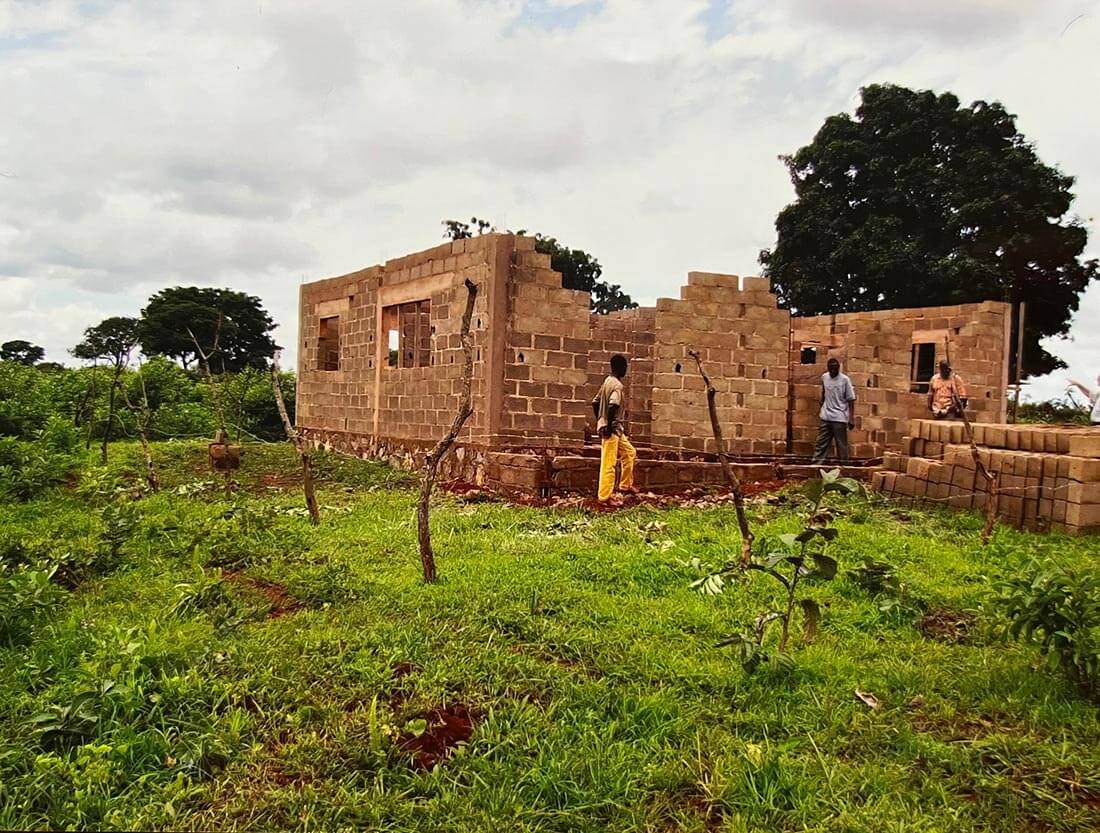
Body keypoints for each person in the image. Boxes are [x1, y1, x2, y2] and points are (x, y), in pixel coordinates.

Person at [591, 354, 637, 502]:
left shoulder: (607, 382)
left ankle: (625, 485)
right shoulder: (617, 385)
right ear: (620, 368)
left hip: (616, 430)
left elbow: (595, 402)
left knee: (630, 452)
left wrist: (600, 420)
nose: (626, 370)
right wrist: (608, 425)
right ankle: (604, 497)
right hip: (612, 430)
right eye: (625, 367)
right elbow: (613, 405)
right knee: (609, 463)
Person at [813, 357, 856, 464]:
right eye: (831, 368)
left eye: (835, 368)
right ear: (828, 368)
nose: (833, 370)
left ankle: (844, 466)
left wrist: (851, 418)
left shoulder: (845, 380)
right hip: (826, 416)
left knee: (841, 444)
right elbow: (824, 392)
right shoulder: (825, 377)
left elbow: (851, 399)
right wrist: (822, 404)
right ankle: (816, 465)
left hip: (839, 417)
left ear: (838, 368)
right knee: (821, 443)